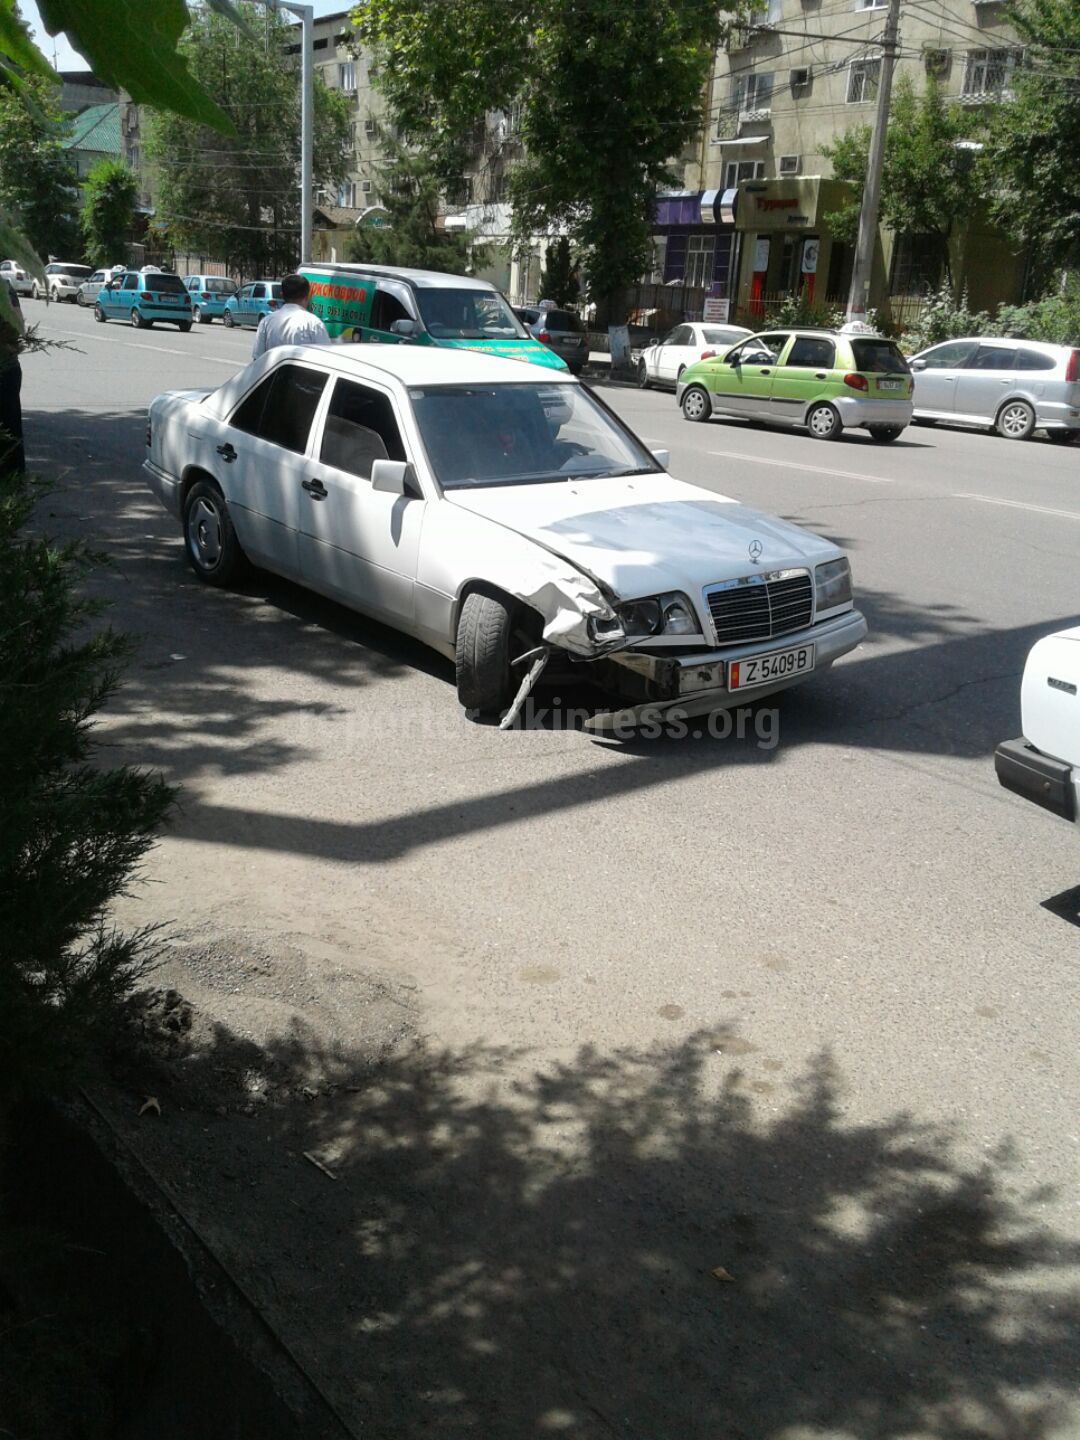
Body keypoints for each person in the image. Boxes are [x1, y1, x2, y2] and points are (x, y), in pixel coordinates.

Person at [251, 273, 330, 360]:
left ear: (282, 295)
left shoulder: (266, 322)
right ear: (307, 296)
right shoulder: (314, 324)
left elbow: (257, 359)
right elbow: (325, 359)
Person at [0, 278, 25, 477]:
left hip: (5, 371)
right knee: (11, 431)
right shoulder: (5, 285)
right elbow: (19, 325)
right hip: (9, 370)